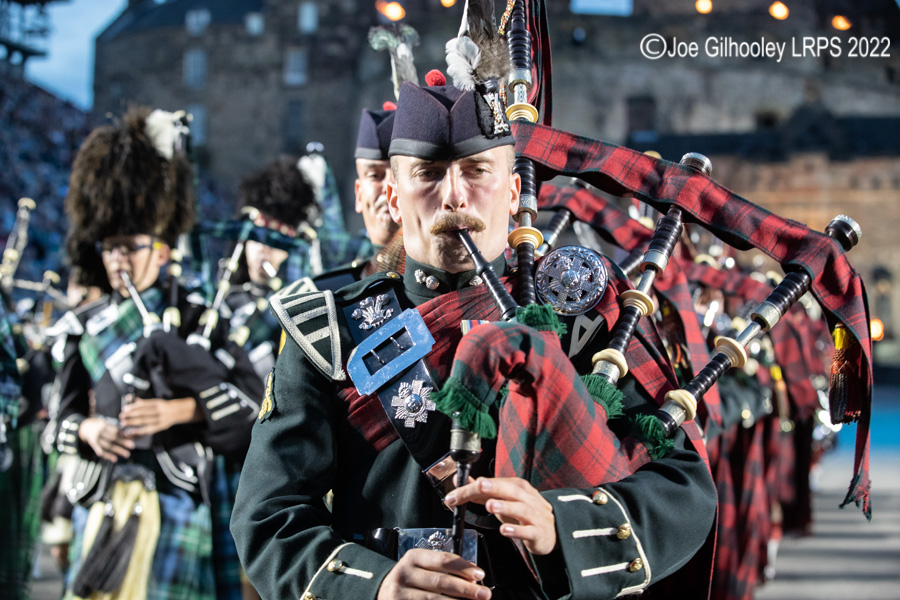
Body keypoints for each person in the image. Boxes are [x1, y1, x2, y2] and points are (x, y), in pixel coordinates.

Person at [231, 76, 717, 599]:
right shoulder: (328, 334)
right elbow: (267, 515)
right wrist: (374, 588)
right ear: (393, 197)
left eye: (477, 170)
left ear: (512, 192)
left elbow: (683, 486)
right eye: (428, 173)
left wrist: (564, 528)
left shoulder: (584, 317)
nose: (454, 196)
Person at [56, 106, 263, 599]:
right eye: (109, 248)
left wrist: (180, 409)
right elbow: (57, 421)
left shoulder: (200, 319)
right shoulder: (81, 327)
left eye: (130, 246)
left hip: (177, 502)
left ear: (163, 248)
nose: (117, 260)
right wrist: (88, 429)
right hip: (101, 501)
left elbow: (254, 407)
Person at [225, 156, 321, 382]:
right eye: (256, 238)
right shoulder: (225, 300)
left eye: (274, 242)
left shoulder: (302, 315)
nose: (262, 251)